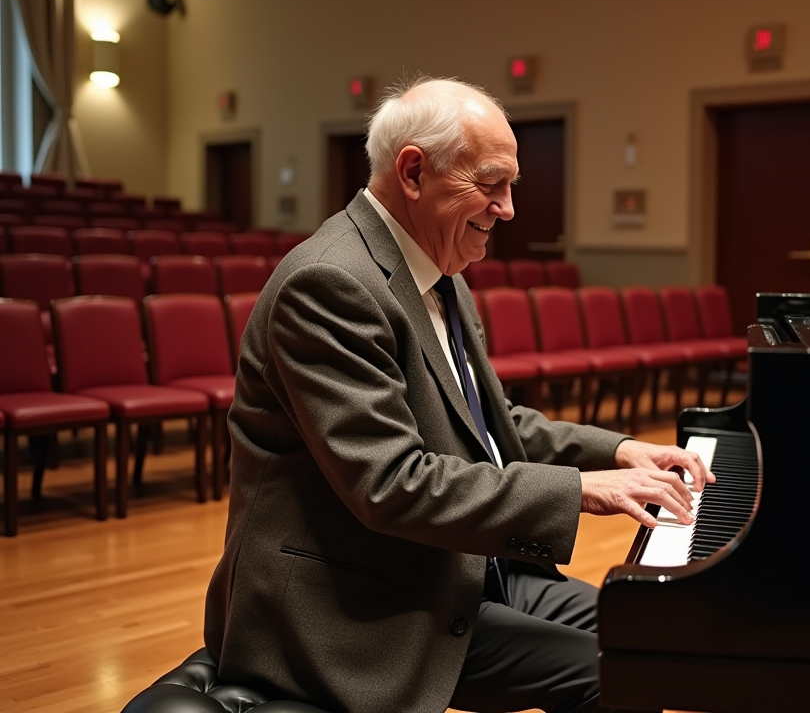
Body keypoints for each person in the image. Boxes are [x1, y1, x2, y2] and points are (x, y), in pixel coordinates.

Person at [203, 75, 715, 713]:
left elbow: (490, 424)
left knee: (653, 633)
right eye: (491, 183)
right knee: (613, 677)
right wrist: (580, 491)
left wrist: (618, 451)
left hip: (456, 569)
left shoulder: (439, 270)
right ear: (413, 173)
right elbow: (391, 484)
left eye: (511, 185)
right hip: (358, 604)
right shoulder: (331, 283)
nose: (508, 208)